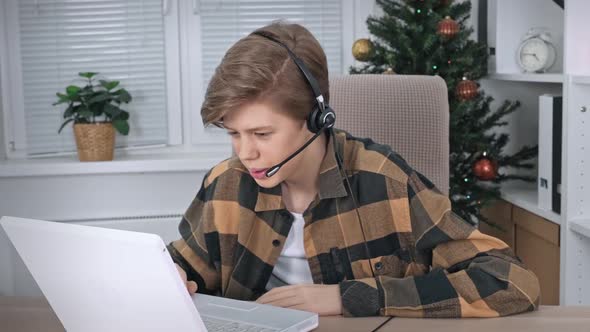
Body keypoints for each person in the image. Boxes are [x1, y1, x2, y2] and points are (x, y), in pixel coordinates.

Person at [167, 21, 540, 318]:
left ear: (316, 119)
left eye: (262, 133)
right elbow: (184, 266)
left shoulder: (384, 180)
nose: (245, 152)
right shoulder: (227, 183)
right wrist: (174, 279)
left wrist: (348, 298)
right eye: (234, 133)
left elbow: (510, 281)